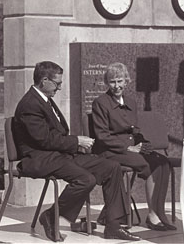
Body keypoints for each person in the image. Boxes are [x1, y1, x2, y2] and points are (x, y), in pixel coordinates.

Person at [12, 61, 140, 241]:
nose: (60, 87)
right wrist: (76, 141)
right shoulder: (30, 105)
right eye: (57, 83)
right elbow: (43, 140)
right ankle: (50, 216)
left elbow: (55, 136)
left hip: (59, 155)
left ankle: (113, 224)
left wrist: (75, 144)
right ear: (44, 80)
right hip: (40, 158)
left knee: (111, 167)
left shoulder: (44, 99)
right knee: (85, 179)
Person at [91, 62, 176, 231]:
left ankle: (159, 213)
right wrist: (127, 148)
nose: (117, 86)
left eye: (120, 81)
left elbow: (134, 129)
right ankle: (152, 216)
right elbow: (102, 136)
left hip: (131, 148)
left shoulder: (131, 101)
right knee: (150, 165)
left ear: (126, 81)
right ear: (107, 83)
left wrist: (142, 142)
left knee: (163, 162)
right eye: (113, 82)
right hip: (110, 151)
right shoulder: (100, 102)